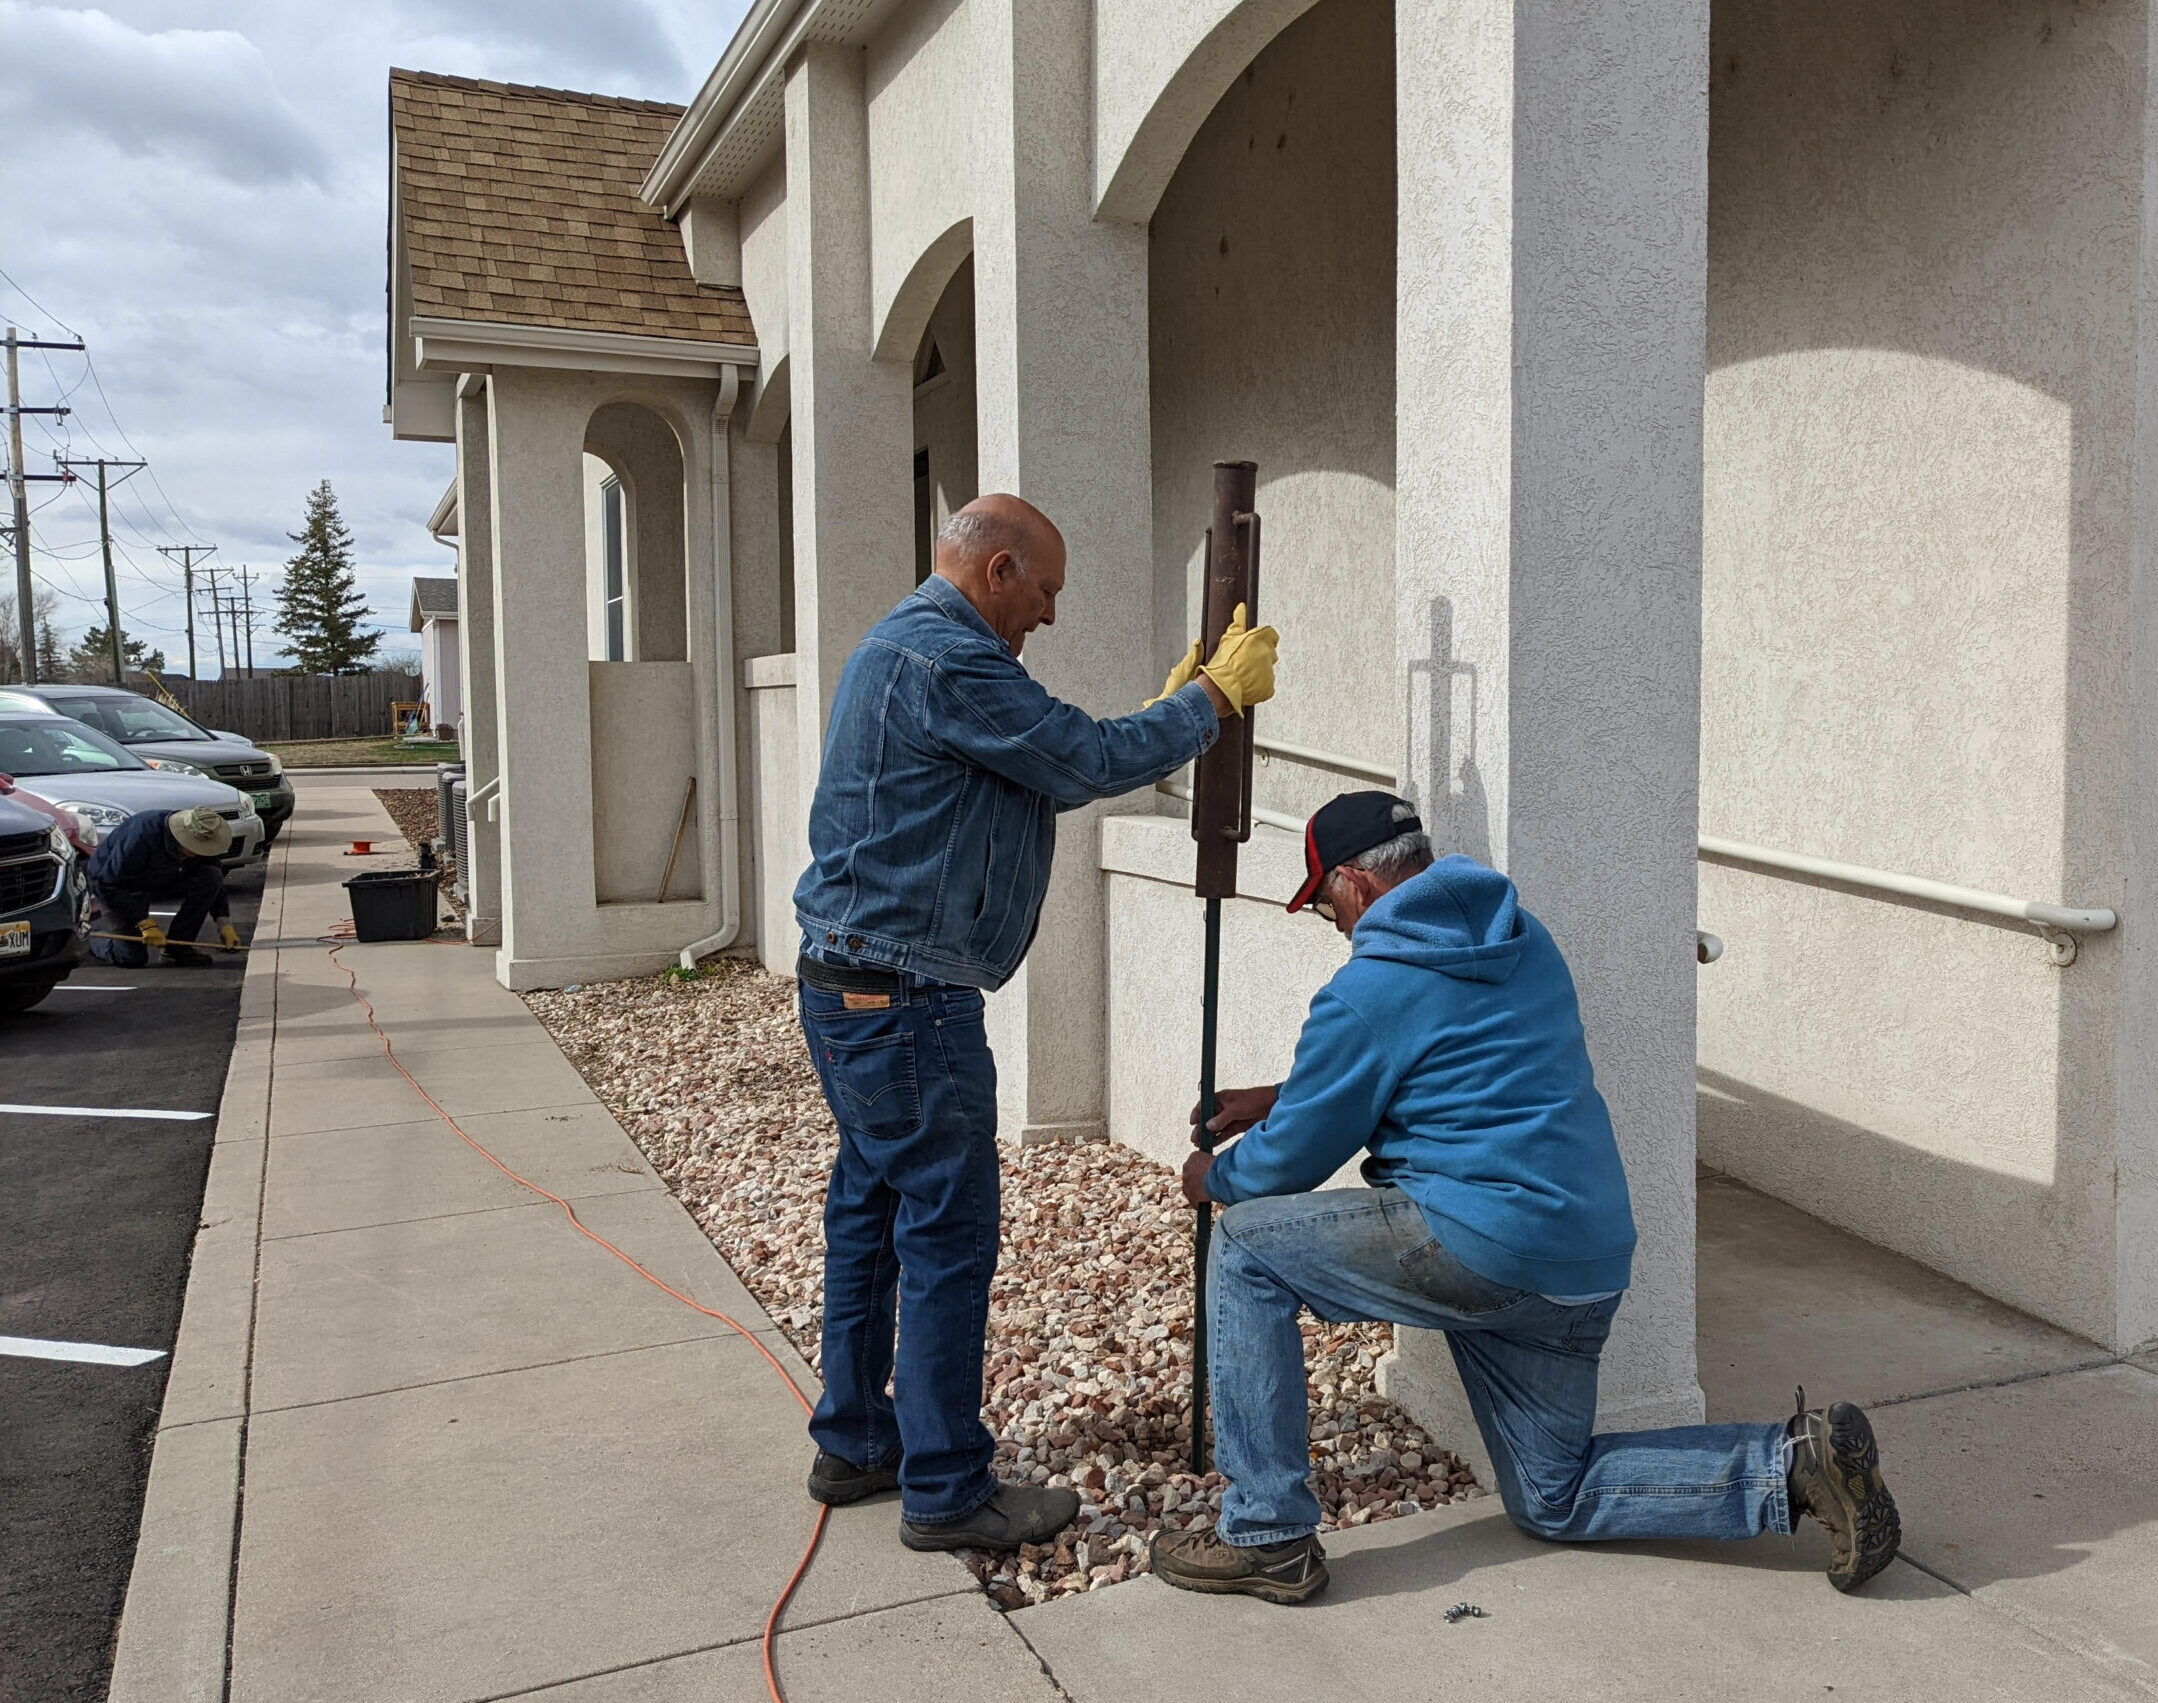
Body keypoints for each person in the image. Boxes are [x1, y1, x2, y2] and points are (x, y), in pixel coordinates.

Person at [1151, 791, 1901, 1603]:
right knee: (1554, 1494)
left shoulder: (1369, 986)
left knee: (1246, 1247)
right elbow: (1449, 1058)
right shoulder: (1521, 935)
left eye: (1324, 901)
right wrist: (1276, 1095)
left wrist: (1213, 1178)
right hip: (1581, 1261)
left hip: (1481, 1246)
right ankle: (1793, 1464)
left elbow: (1288, 1162)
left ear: (1356, 884)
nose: (1331, 921)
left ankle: (1267, 1535)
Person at [794, 492, 1279, 1553]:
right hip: (906, 1006)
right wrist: (1208, 701)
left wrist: (1158, 727)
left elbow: (1038, 768)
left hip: (852, 991)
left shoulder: (916, 651)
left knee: (870, 1216)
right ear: (1000, 569)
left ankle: (856, 1439)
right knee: (946, 1236)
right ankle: (946, 1489)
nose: (1051, 614)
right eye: (1047, 590)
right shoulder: (944, 660)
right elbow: (1071, 757)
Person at [88, 805, 240, 968]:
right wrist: (144, 922)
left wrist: (223, 921)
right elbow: (108, 884)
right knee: (131, 958)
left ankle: (178, 947)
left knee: (210, 876)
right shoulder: (142, 835)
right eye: (194, 848)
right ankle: (88, 940)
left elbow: (214, 878)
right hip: (119, 887)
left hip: (162, 878)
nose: (198, 853)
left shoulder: (205, 843)